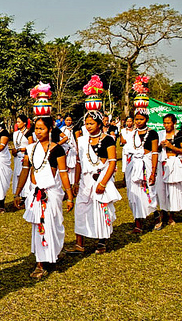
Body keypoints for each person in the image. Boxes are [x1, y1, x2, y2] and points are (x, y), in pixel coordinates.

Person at [14, 114, 74, 279]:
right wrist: (17, 192)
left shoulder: (57, 148)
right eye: (36, 128)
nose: (38, 132)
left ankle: (55, 250)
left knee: (54, 225)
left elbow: (63, 173)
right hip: (35, 192)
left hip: (52, 192)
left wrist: (69, 196)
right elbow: (25, 170)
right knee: (39, 226)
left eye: (42, 128)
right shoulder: (31, 148)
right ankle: (40, 263)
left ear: (49, 130)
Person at [68, 77, 121, 254]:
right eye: (86, 123)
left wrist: (103, 183)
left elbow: (112, 162)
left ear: (99, 123)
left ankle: (102, 241)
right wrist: (75, 183)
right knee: (81, 209)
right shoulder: (81, 140)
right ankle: (79, 243)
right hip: (84, 180)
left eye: (91, 123)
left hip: (101, 178)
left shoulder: (108, 139)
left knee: (101, 209)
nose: (88, 126)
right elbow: (78, 162)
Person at [124, 110, 158, 233]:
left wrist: (153, 172)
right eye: (136, 119)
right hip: (133, 167)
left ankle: (156, 217)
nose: (138, 122)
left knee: (148, 192)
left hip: (147, 166)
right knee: (134, 195)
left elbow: (154, 153)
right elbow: (127, 152)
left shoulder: (153, 133)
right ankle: (138, 224)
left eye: (141, 119)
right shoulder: (132, 134)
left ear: (147, 119)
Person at [11, 114, 33, 205]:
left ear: (24, 123)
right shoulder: (15, 133)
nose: (17, 124)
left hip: (25, 157)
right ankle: (19, 194)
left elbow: (31, 146)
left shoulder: (28, 133)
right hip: (17, 157)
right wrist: (14, 151)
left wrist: (20, 149)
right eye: (17, 122)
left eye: (19, 122)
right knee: (17, 176)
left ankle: (26, 196)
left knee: (25, 175)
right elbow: (15, 144)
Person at [60, 114, 78, 185]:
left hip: (73, 150)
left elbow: (77, 140)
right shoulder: (62, 129)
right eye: (67, 120)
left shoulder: (75, 129)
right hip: (64, 150)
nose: (68, 122)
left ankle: (73, 183)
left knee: (73, 168)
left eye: (70, 120)